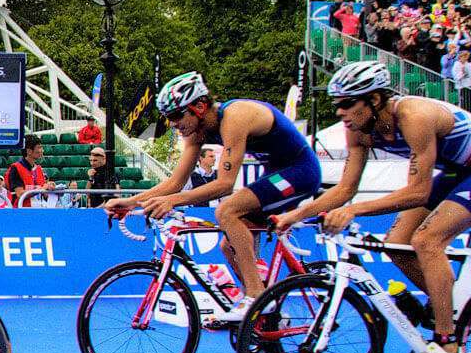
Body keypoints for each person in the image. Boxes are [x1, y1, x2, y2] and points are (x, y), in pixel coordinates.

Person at [273, 62, 471, 353]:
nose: (340, 113)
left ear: (374, 100)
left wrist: (354, 210)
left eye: (347, 103)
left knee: (427, 240)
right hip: (456, 171)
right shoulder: (359, 130)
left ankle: (447, 341)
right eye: (338, 105)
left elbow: (416, 192)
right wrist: (294, 215)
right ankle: (460, 311)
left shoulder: (414, 116)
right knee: (396, 244)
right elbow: (346, 188)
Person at [106, 71, 321, 314]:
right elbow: (175, 182)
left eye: (176, 115)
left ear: (199, 106)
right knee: (228, 246)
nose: (173, 123)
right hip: (277, 172)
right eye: (168, 118)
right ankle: (267, 313)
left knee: (227, 211)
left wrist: (171, 202)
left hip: (301, 171)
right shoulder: (197, 131)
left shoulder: (234, 117)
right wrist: (132, 202)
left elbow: (224, 184)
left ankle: (256, 296)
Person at [4, 141, 48, 208]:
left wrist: (49, 188)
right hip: (21, 212)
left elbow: (44, 194)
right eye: (39, 148)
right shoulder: (16, 168)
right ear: (29, 151)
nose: (42, 150)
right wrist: (41, 189)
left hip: (38, 212)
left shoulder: (39, 169)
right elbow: (20, 194)